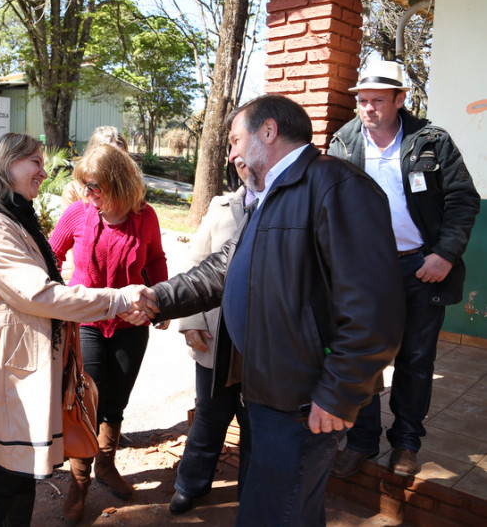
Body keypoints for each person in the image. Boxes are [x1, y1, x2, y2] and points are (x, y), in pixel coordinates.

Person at [130, 94, 404, 525]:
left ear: (269, 131)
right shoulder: (271, 193)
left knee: (276, 513)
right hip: (270, 393)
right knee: (286, 510)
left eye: (236, 140)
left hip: (304, 401)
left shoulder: (337, 186)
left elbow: (374, 310)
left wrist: (338, 394)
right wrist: (159, 298)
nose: (231, 154)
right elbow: (225, 268)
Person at [0, 132, 149, 526]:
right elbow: (40, 295)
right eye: (36, 162)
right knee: (1, 487)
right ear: (7, 165)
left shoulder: (14, 219)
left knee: (18, 485)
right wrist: (118, 299)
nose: (44, 172)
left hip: (18, 376)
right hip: (6, 379)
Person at [327, 61, 480, 478]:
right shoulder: (343, 143)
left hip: (421, 267)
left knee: (415, 359)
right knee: (362, 357)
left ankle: (406, 443)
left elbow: (463, 200)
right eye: (362, 100)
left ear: (400, 99)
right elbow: (329, 205)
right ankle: (361, 441)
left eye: (378, 100)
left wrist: (445, 254)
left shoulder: (431, 141)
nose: (368, 108)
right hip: (364, 272)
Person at [48, 143, 167, 520]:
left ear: (118, 183)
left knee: (117, 400)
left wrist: (163, 305)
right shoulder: (77, 214)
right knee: (88, 401)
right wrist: (57, 302)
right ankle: (79, 480)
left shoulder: (145, 216)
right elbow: (50, 257)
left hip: (132, 325)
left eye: (95, 186)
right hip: (87, 324)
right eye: (85, 185)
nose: (88, 193)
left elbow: (156, 260)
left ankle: (106, 465)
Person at [168, 160, 253, 515]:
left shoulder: (285, 205)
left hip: (261, 343)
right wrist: (190, 321)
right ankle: (190, 485)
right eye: (234, 151)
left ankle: (252, 496)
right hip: (217, 338)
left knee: (254, 424)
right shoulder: (220, 206)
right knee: (209, 415)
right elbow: (195, 265)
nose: (241, 160)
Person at [61, 126, 129, 208]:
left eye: (120, 157)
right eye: (108, 157)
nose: (115, 164)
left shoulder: (130, 189)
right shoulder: (73, 190)